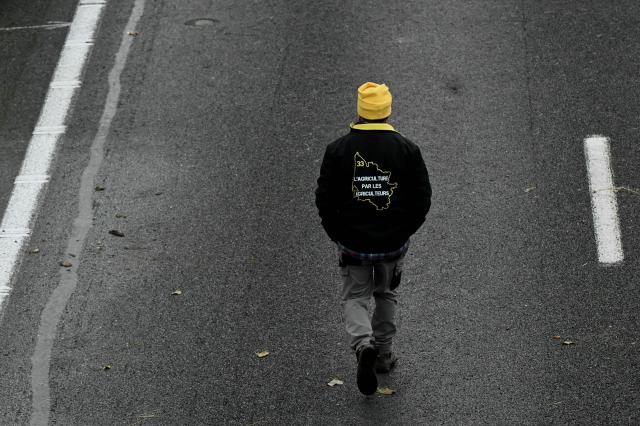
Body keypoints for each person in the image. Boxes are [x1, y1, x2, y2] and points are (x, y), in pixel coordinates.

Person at [315, 82, 432, 395]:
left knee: (355, 296)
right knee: (385, 294)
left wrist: (337, 234)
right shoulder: (407, 149)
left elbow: (324, 200)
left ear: (360, 111)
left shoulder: (338, 150)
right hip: (392, 245)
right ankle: (383, 354)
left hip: (353, 243)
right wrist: (403, 231)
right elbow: (422, 199)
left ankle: (362, 344)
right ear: (387, 110)